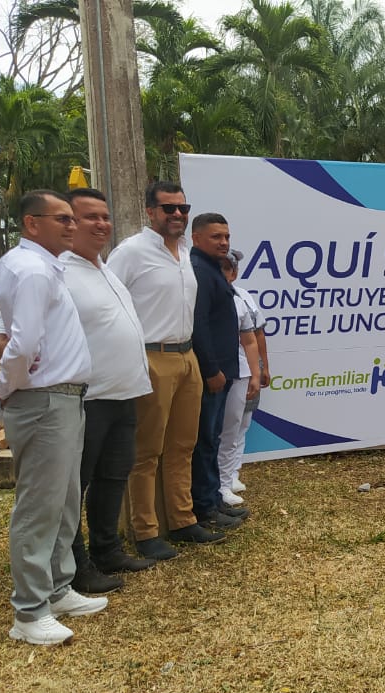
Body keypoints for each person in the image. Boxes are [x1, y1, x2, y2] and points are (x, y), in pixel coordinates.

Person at [0, 189, 159, 594]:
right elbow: (3, 327)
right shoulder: (50, 270)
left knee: (112, 476)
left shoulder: (106, 269)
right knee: (71, 488)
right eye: (84, 217)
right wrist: (16, 367)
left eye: (105, 215)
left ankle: (106, 548)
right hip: (84, 396)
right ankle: (74, 564)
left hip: (124, 392)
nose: (99, 224)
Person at [0, 189, 106, 645]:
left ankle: (57, 588)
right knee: (39, 507)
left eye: (72, 219)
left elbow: (1, 319)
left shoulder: (38, 266)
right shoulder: (33, 269)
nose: (72, 226)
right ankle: (30, 611)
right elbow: (22, 344)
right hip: (44, 400)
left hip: (64, 397)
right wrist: (4, 387)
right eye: (62, 219)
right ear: (31, 223)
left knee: (63, 500)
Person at [107, 182, 221, 560]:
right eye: (168, 208)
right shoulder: (131, 253)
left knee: (182, 446)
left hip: (187, 356)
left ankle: (183, 520)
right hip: (151, 357)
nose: (177, 215)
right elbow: (109, 304)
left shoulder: (185, 253)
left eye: (182, 208)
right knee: (146, 451)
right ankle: (145, 531)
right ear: (150, 212)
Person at [188, 213, 249, 528]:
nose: (224, 242)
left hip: (223, 372)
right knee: (205, 441)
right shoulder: (199, 271)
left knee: (211, 438)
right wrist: (211, 369)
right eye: (216, 237)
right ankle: (204, 507)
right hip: (210, 374)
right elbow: (198, 326)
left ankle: (212, 500)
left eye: (226, 236)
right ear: (196, 238)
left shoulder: (212, 270)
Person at [216, 249, 263, 506]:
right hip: (212, 374)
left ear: (234, 273)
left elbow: (251, 338)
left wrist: (256, 372)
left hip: (241, 372)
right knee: (212, 433)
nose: (223, 273)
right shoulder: (201, 295)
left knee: (233, 429)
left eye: (227, 269)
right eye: (219, 267)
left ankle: (225, 484)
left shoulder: (241, 299)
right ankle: (212, 485)